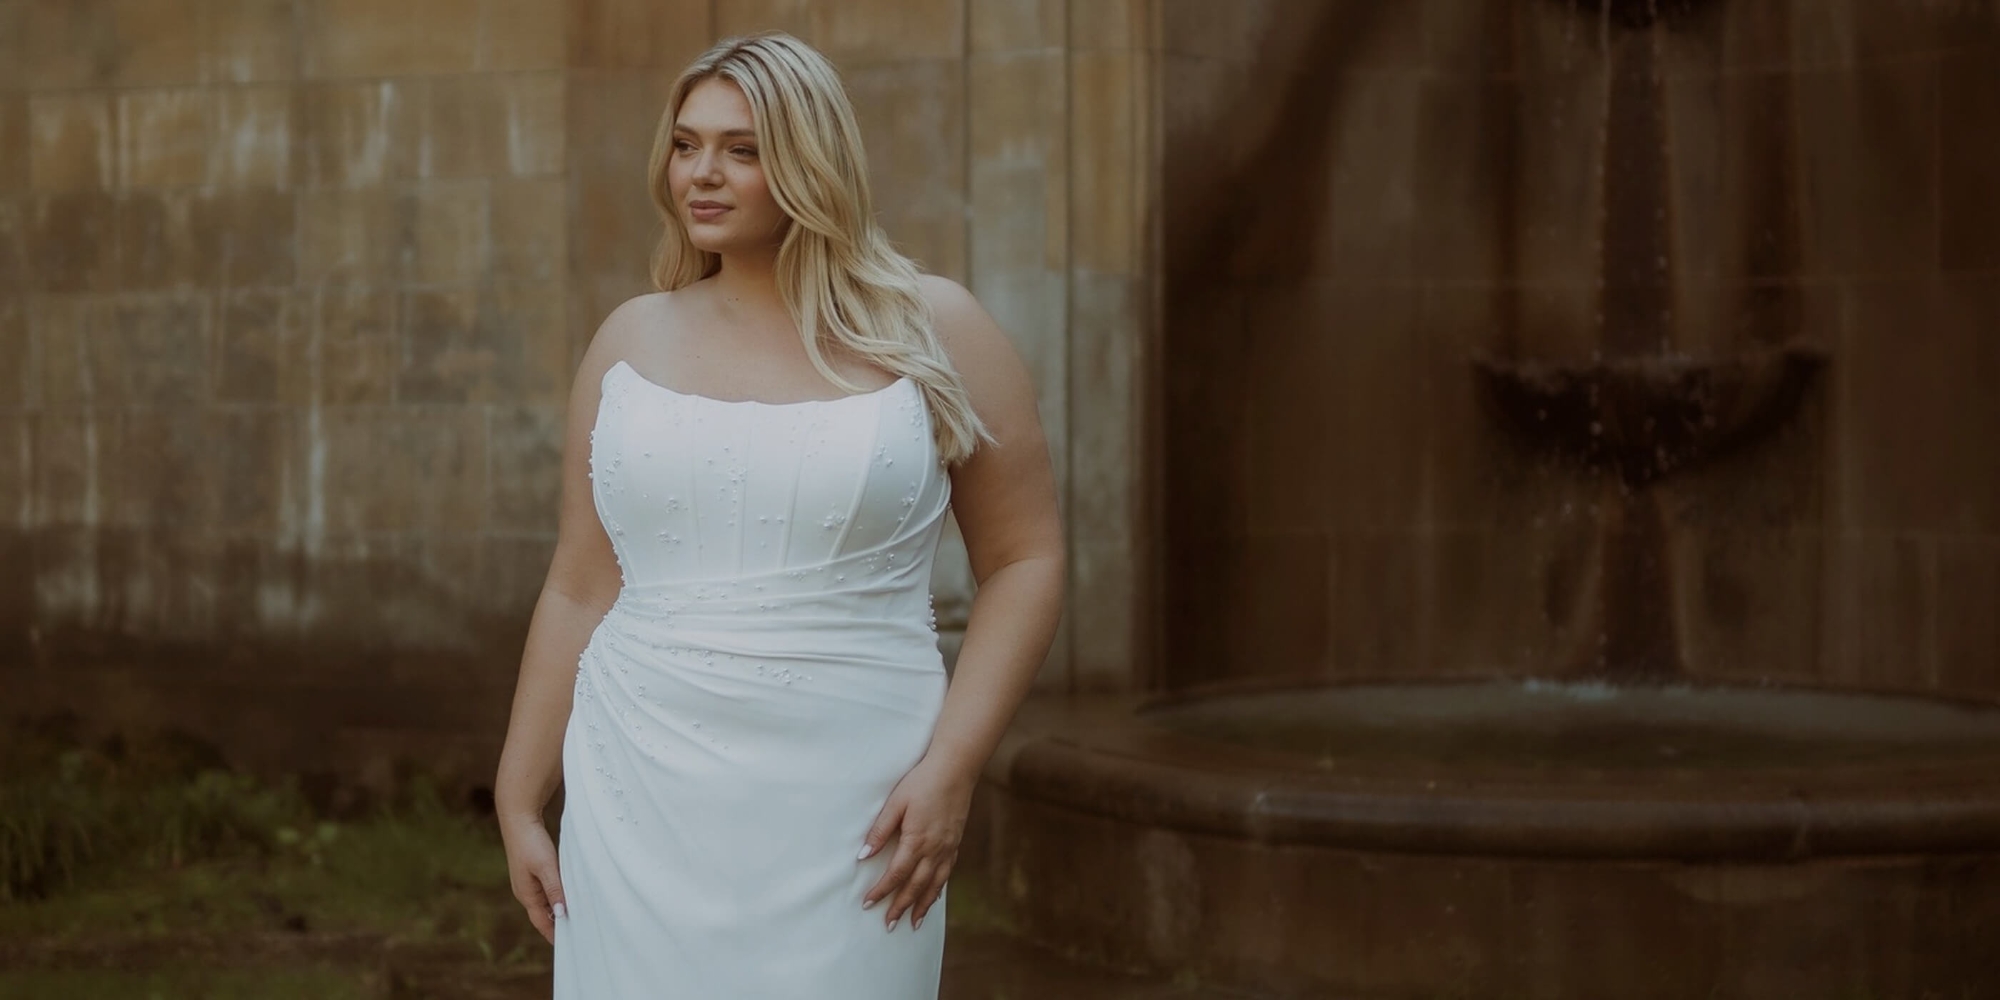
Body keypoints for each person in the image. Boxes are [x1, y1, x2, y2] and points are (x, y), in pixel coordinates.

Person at [491, 32, 1065, 999]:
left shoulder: (937, 328)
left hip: (859, 793)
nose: (701, 175)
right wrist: (517, 794)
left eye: (742, 150)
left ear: (811, 162)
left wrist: (955, 767)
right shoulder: (629, 340)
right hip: (641, 784)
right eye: (685, 145)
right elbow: (580, 583)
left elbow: (1027, 558)